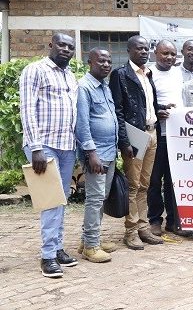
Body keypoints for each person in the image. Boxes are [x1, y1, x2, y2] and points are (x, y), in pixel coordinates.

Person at [20, 32, 79, 278]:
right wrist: (36, 148)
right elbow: (27, 109)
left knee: (61, 199)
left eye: (70, 47)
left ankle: (57, 248)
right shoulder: (35, 70)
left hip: (67, 146)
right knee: (50, 201)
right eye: (61, 45)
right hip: (44, 146)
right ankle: (47, 257)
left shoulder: (71, 75)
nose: (66, 49)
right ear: (50, 45)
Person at [109, 35, 164, 250]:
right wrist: (124, 142)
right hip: (134, 136)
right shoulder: (121, 74)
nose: (143, 52)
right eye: (139, 48)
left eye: (146, 49)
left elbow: (146, 105)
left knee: (145, 185)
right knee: (133, 185)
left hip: (151, 134)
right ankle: (131, 231)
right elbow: (118, 110)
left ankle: (143, 227)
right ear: (129, 50)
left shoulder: (147, 74)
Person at [75, 48, 118, 263]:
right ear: (89, 62)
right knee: (94, 199)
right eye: (101, 61)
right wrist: (91, 153)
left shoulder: (104, 86)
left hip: (109, 151)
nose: (106, 65)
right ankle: (91, 246)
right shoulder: (84, 87)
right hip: (96, 154)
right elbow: (82, 124)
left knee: (101, 197)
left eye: (109, 61)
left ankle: (89, 240)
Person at [147, 40, 188, 238]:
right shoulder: (148, 73)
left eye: (172, 54)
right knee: (154, 179)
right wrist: (157, 112)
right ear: (155, 53)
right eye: (165, 53)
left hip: (177, 135)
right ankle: (155, 220)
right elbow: (145, 102)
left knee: (174, 180)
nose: (169, 57)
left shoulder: (179, 73)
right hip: (156, 134)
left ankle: (173, 220)